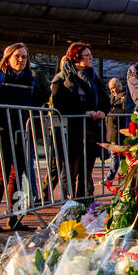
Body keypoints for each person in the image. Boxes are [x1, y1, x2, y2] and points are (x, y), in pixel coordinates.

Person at [0, 43, 38, 228]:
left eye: (24, 57)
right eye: (17, 56)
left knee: (19, 174)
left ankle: (14, 217)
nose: (21, 60)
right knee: (2, 175)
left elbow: (41, 96)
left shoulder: (29, 79)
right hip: (1, 133)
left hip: (21, 132)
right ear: (7, 58)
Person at [49, 42, 105, 198]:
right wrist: (84, 111)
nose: (91, 58)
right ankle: (69, 204)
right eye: (87, 56)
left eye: (90, 55)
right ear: (76, 58)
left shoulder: (94, 78)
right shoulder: (62, 78)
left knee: (86, 171)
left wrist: (101, 111)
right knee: (70, 170)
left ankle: (84, 202)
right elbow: (60, 103)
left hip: (91, 131)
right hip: (72, 132)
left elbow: (104, 98)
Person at [103, 76, 126, 183]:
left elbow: (124, 111)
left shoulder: (124, 96)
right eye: (111, 89)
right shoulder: (111, 97)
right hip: (112, 131)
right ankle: (112, 177)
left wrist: (111, 111)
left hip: (119, 131)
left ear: (119, 86)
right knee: (115, 156)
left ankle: (113, 177)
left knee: (118, 157)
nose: (112, 91)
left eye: (114, 88)